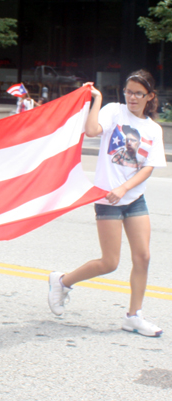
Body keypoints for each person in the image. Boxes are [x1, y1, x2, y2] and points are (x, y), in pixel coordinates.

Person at [48, 70, 167, 337]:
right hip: (107, 200)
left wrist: (124, 188)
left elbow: (148, 168)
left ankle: (133, 316)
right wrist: (97, 99)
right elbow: (91, 130)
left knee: (143, 257)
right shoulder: (114, 111)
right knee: (110, 262)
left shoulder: (153, 129)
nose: (132, 97)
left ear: (149, 96)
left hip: (133, 198)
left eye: (138, 93)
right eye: (128, 91)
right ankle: (63, 281)